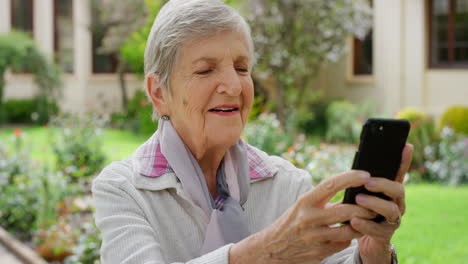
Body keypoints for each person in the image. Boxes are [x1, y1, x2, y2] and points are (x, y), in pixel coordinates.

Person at [92, 0, 413, 263]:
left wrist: (371, 254)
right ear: (159, 93)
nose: (234, 86)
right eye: (205, 70)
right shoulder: (123, 189)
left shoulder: (287, 183)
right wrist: (264, 251)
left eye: (242, 68)